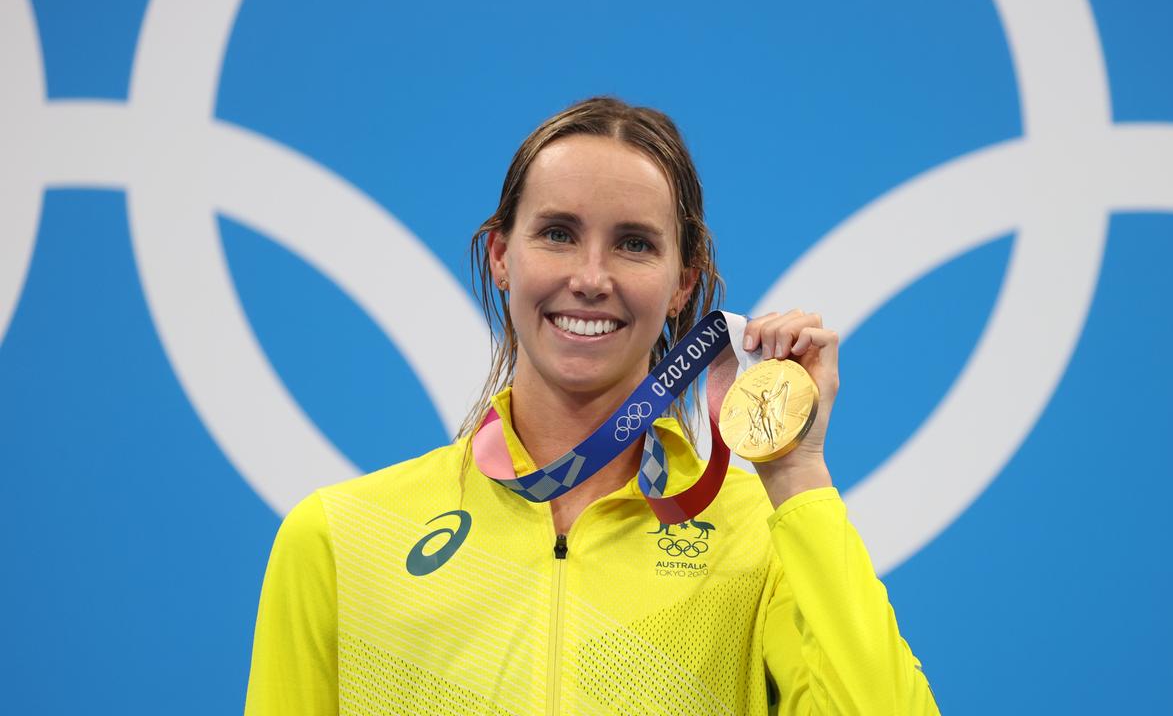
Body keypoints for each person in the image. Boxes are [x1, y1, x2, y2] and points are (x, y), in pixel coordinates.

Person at [245, 96, 940, 715]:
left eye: (634, 244)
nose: (590, 277)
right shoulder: (341, 538)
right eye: (558, 233)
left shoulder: (758, 537)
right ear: (500, 257)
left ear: (681, 284)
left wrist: (795, 474)